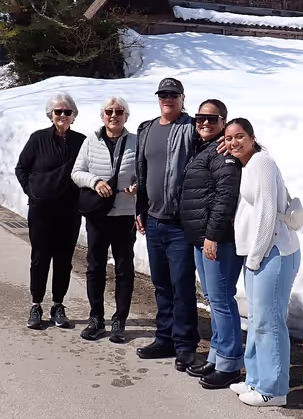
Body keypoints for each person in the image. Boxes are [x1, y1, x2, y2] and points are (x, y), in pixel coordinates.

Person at [224, 118, 301, 407]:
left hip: (274, 252)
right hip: (260, 254)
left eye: (239, 136)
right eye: (229, 138)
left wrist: (255, 257)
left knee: (270, 321)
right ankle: (255, 379)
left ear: (253, 137)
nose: (234, 143)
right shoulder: (248, 165)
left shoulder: (262, 163)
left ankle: (274, 389)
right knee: (257, 319)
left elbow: (268, 212)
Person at [134, 77, 200, 371]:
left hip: (179, 223)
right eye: (163, 94)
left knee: (182, 285)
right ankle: (165, 339)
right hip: (153, 220)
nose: (168, 98)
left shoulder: (191, 128)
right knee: (161, 283)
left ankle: (186, 344)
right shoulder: (146, 129)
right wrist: (140, 208)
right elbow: (143, 170)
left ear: (183, 98)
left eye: (173, 94)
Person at [179, 99, 244, 389]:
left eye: (212, 119)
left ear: (223, 122)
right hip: (201, 239)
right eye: (200, 118)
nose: (204, 123)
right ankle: (218, 356)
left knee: (221, 300)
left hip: (217, 241)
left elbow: (225, 198)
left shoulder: (224, 154)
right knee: (213, 299)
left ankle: (230, 363)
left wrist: (213, 236)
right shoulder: (206, 148)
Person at [15, 93, 86, 331]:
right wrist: (32, 192)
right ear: (51, 114)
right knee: (40, 258)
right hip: (41, 210)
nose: (63, 116)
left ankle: (58, 305)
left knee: (64, 260)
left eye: (67, 112)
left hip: (69, 210)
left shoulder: (82, 141)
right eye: (58, 112)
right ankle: (36, 305)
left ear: (74, 116)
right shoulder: (38, 139)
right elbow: (21, 167)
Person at [71, 96, 138, 343]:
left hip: (124, 215)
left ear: (126, 117)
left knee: (124, 268)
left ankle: (120, 320)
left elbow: (145, 173)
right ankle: (96, 318)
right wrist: (95, 182)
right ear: (102, 116)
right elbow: (76, 173)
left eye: (119, 111)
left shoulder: (135, 142)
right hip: (98, 215)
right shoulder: (91, 142)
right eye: (109, 111)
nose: (113, 115)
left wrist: (137, 186)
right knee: (95, 267)